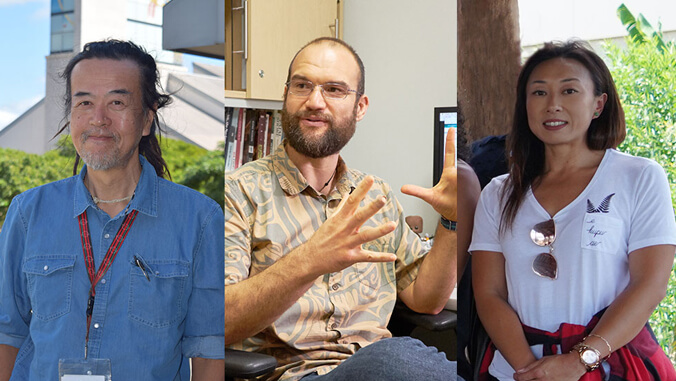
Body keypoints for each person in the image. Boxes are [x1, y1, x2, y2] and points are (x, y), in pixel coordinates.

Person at [224, 37, 457, 380]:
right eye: (302, 86)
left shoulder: (374, 195)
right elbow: (216, 322)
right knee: (395, 358)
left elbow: (426, 300)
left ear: (360, 107)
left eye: (334, 89)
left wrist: (452, 222)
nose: (314, 101)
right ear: (285, 95)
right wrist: (310, 260)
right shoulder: (236, 193)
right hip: (292, 374)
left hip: (372, 368)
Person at [0, 40, 224, 380]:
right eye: (84, 102)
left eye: (117, 102)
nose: (98, 119)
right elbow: (6, 335)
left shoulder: (201, 220)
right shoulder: (27, 213)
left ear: (147, 119)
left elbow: (210, 353)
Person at [470, 40, 676, 380]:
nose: (553, 105)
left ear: (598, 104)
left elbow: (650, 283)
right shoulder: (497, 193)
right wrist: (530, 371)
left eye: (569, 91)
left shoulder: (639, 176)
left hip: (612, 366)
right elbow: (489, 294)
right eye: (538, 93)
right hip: (516, 370)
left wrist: (580, 361)